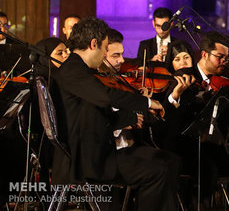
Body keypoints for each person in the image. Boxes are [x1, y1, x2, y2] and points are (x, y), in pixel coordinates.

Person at [52, 17, 181, 210]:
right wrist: (146, 102)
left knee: (167, 162)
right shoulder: (73, 70)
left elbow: (95, 115)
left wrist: (127, 117)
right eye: (105, 48)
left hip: (94, 151)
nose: (105, 54)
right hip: (86, 160)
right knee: (157, 171)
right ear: (93, 44)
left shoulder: (77, 69)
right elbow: (106, 96)